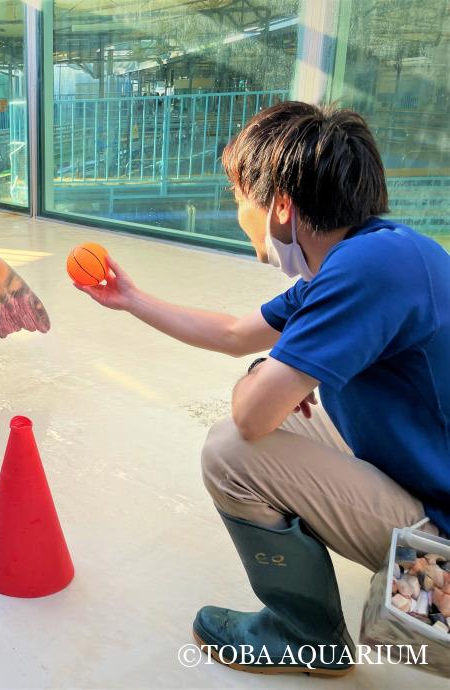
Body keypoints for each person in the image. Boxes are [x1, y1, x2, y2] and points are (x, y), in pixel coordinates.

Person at [76, 101, 450, 676]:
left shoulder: (367, 268)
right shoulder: (371, 254)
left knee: (232, 451)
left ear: (280, 205)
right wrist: (131, 298)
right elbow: (233, 334)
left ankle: (307, 637)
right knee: (277, 414)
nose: (237, 214)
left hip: (441, 532)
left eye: (239, 198)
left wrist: (262, 377)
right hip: (419, 472)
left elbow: (252, 416)